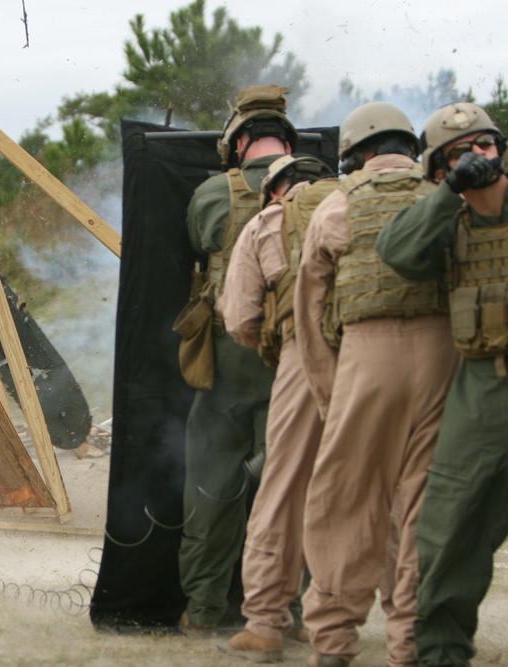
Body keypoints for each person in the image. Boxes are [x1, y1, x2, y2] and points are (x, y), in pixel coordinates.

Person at [293, 101, 460, 667]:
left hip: (364, 361)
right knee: (423, 505)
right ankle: (409, 644)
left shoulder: (336, 207)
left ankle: (335, 643)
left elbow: (310, 315)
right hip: (445, 358)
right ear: (411, 148)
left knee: (345, 503)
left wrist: (331, 395)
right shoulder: (447, 197)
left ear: (354, 155)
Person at [376, 102, 508, 667]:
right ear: (438, 171)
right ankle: (441, 651)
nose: (479, 157)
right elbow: (396, 251)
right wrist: (449, 194)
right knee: (451, 525)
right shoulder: (444, 224)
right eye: (461, 154)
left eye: (486, 145)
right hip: (483, 387)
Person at [179, 84, 296, 632]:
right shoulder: (322, 191)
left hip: (229, 355)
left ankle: (203, 611)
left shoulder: (211, 194)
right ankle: (290, 613)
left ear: (239, 139)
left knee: (210, 486)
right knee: (294, 485)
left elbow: (200, 248)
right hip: (297, 358)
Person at [216, 154, 338, 662]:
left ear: (273, 191)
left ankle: (266, 624)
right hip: (387, 356)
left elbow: (239, 316)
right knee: (371, 490)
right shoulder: (356, 204)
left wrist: (278, 344)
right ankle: (334, 622)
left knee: (283, 487)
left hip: (305, 358)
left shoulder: (268, 222)